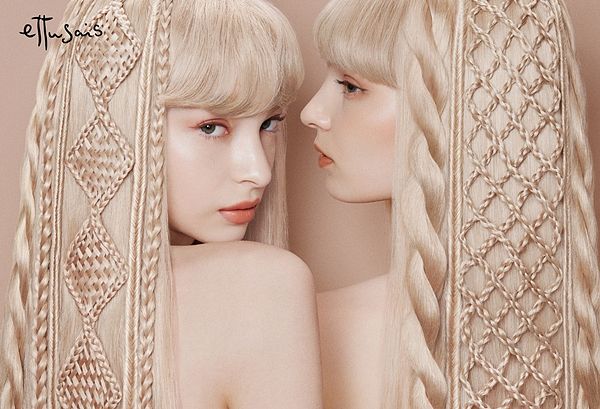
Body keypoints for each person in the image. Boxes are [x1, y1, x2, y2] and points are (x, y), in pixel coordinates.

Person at [0, 0, 322, 408]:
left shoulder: (43, 319)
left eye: (269, 123)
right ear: (117, 126)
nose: (259, 171)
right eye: (211, 127)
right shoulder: (263, 283)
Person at [301, 0, 600, 408]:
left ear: (460, 109)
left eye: (352, 87)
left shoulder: (310, 330)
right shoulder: (578, 342)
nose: (311, 112)